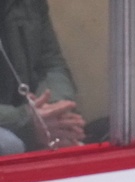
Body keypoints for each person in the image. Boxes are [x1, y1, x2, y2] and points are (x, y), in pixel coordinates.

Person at [0, 0, 85, 152]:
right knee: (10, 146)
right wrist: (25, 120)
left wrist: (55, 110)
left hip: (31, 114)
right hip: (12, 124)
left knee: (69, 137)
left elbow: (51, 64)